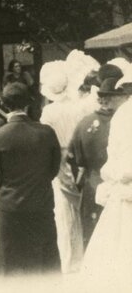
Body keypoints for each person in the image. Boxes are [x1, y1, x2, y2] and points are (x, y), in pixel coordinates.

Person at [0, 82, 61, 277]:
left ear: (4, 105)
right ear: (28, 105)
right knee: (45, 263)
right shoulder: (46, 132)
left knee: (10, 263)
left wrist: (10, 188)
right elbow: (53, 168)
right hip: (41, 204)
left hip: (11, 207)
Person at [39, 61, 95, 273]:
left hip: (59, 157)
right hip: (77, 156)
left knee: (62, 210)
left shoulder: (49, 112)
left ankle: (66, 258)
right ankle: (80, 256)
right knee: (78, 206)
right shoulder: (77, 107)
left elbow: (45, 138)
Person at [69, 65, 128, 248]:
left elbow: (74, 158)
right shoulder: (124, 119)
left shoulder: (85, 123)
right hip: (119, 184)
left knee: (95, 236)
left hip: (93, 183)